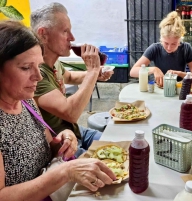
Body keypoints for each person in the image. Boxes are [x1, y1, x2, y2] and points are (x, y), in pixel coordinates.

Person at [0, 20, 115, 201]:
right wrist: (66, 172)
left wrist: (65, 138)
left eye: (38, 66)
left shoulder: (26, 101)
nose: (38, 77)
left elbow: (51, 146)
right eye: (26, 67)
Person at [30, 2, 114, 158]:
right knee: (114, 164)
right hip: (62, 144)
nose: (72, 38)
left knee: (118, 144)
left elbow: (68, 76)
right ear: (43, 34)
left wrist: (96, 74)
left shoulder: (54, 61)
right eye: (65, 31)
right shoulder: (35, 74)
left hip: (77, 131)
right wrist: (92, 72)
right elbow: (70, 112)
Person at [129, 11, 192, 87]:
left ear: (180, 40)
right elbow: (133, 72)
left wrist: (179, 73)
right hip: (159, 88)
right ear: (161, 39)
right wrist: (153, 69)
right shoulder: (155, 48)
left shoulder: (186, 48)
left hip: (179, 90)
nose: (169, 48)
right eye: (166, 43)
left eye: (174, 44)